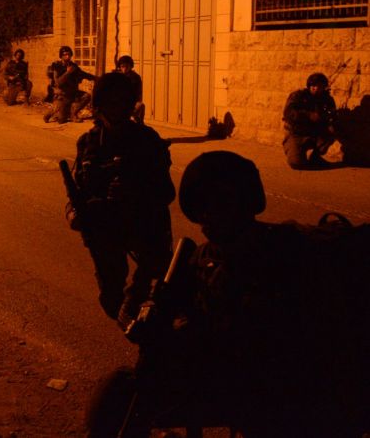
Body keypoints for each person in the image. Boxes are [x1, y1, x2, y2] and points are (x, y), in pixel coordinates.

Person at [85, 151, 366, 437]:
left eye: (220, 204)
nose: (208, 215)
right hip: (242, 378)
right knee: (121, 394)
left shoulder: (288, 254)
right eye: (201, 205)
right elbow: (180, 308)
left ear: (245, 203)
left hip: (294, 388)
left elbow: (302, 339)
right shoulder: (204, 258)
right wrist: (153, 317)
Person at [67, 72, 174, 330]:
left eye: (121, 102)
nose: (115, 109)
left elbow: (166, 192)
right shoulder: (88, 143)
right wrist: (75, 213)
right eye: (110, 102)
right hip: (106, 230)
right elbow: (77, 191)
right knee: (111, 300)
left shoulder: (147, 141)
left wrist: (135, 192)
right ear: (99, 106)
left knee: (154, 300)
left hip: (144, 228)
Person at [282, 72, 337, 169]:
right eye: (313, 86)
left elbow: (332, 115)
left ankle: (316, 157)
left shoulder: (327, 99)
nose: (316, 88)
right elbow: (288, 113)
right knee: (296, 163)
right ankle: (297, 151)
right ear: (309, 86)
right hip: (296, 133)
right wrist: (309, 115)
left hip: (314, 133)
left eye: (320, 86)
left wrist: (329, 122)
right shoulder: (298, 96)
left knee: (333, 130)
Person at [44, 46, 96, 123]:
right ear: (61, 56)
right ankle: (53, 111)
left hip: (73, 93)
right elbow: (58, 83)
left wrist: (96, 78)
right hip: (62, 95)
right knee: (61, 120)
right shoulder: (57, 66)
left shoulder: (73, 66)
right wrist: (68, 72)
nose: (67, 56)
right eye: (65, 54)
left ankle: (73, 114)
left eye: (69, 54)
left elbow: (84, 74)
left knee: (87, 96)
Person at [116, 55, 145, 124]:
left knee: (140, 107)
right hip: (119, 102)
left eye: (127, 66)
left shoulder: (135, 77)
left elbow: (138, 93)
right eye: (122, 66)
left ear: (131, 66)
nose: (124, 69)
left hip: (131, 102)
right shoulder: (117, 76)